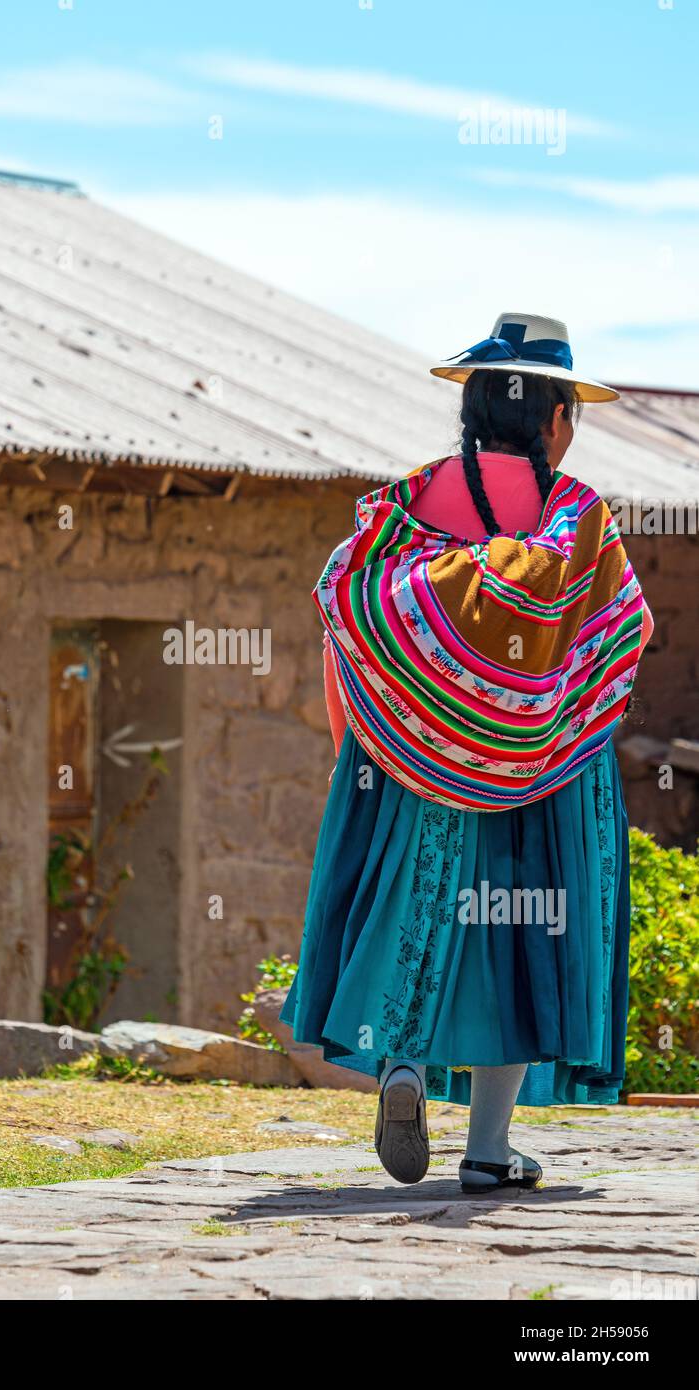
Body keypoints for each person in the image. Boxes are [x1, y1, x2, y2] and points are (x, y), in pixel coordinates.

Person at [281, 314, 653, 1193]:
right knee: (520, 938)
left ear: (475, 408)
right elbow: (620, 630)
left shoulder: (409, 500)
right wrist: (526, 716)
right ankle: (489, 1150)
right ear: (555, 419)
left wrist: (388, 735)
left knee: (417, 912)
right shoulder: (575, 514)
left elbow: (348, 610)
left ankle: (402, 1065)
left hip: (407, 762)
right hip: (545, 774)